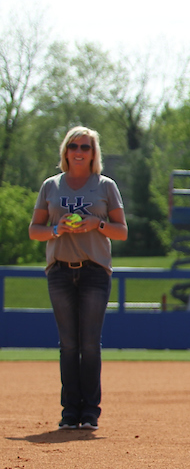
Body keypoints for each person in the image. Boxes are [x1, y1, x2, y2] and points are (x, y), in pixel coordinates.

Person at [28, 127, 128, 431]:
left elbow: (121, 231)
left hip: (94, 270)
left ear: (93, 153)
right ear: (66, 151)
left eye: (85, 146)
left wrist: (96, 224)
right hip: (59, 269)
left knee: (89, 344)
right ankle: (70, 411)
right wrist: (58, 229)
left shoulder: (105, 186)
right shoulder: (51, 186)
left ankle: (90, 413)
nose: (79, 151)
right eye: (73, 145)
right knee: (69, 344)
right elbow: (35, 230)